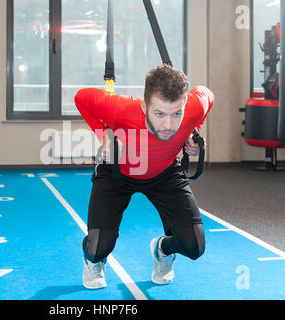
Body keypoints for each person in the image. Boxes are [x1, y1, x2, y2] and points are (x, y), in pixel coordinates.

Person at [74, 63, 215, 289]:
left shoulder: (194, 107)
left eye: (177, 113)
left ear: (185, 105)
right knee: (97, 248)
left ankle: (162, 250)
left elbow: (208, 95)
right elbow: (81, 98)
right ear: (144, 106)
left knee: (194, 246)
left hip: (165, 173)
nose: (168, 125)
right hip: (116, 171)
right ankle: (95, 261)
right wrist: (104, 135)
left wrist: (192, 131)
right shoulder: (119, 108)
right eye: (159, 113)